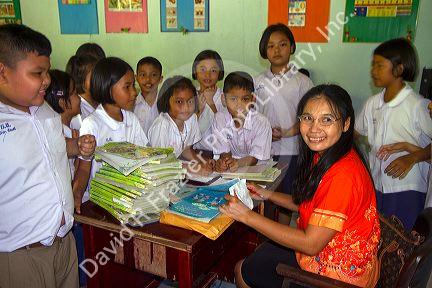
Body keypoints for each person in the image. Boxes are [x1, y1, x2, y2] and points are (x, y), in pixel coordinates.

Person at [220, 84, 380, 288]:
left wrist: (247, 216)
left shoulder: (343, 175)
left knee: (243, 270)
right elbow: (310, 204)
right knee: (254, 259)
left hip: (338, 276)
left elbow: (310, 244)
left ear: (346, 123)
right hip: (332, 254)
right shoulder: (329, 156)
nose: (314, 129)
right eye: (307, 118)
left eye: (327, 120)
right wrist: (267, 194)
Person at [0, 24, 95, 288]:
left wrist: (76, 147)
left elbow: (50, 146)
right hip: (21, 256)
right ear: (2, 72)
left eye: (46, 71)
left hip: (63, 243)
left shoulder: (44, 111)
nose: (47, 80)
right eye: (37, 73)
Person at [355, 38, 432, 229]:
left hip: (408, 189)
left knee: (404, 241)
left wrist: (412, 157)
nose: (373, 71)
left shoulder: (417, 105)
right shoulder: (372, 103)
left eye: (380, 65)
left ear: (399, 69)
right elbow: (355, 134)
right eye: (373, 64)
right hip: (377, 186)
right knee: (380, 239)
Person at [73, 57, 148, 214]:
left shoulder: (131, 120)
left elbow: (143, 157)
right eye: (127, 87)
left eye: (133, 86)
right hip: (102, 203)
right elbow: (84, 168)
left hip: (130, 198)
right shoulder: (92, 124)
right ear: (107, 89)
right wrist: (77, 194)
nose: (134, 92)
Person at [254, 23, 313, 197]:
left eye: (282, 44)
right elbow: (251, 114)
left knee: (287, 197)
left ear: (292, 47)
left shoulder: (303, 82)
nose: (276, 50)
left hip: (292, 150)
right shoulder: (257, 82)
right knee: (262, 195)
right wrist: (266, 134)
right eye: (270, 46)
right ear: (264, 51)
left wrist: (286, 132)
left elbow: (310, 117)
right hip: (263, 149)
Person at [148, 76, 214, 174]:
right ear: (166, 101)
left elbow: (186, 149)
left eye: (190, 101)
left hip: (174, 168)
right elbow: (161, 162)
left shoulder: (191, 119)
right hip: (156, 172)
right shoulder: (162, 126)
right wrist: (192, 169)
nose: (186, 107)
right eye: (179, 102)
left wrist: (201, 161)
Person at [210, 71, 272, 172]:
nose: (239, 105)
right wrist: (225, 162)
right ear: (224, 100)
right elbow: (224, 151)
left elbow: (255, 157)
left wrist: (237, 163)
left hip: (256, 170)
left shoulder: (262, 123)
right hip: (232, 169)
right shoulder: (219, 119)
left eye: (245, 99)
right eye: (233, 99)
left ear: (253, 100)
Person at [192, 50, 226, 151]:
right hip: (193, 153)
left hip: (219, 154)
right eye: (202, 69)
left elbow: (225, 130)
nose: (207, 75)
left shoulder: (225, 97)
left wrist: (211, 102)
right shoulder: (190, 96)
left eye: (213, 70)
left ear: (220, 73)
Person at [134, 56, 163, 134]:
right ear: (136, 78)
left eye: (153, 75)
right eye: (143, 75)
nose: (148, 79)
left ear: (160, 79)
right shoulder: (131, 105)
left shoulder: (167, 104)